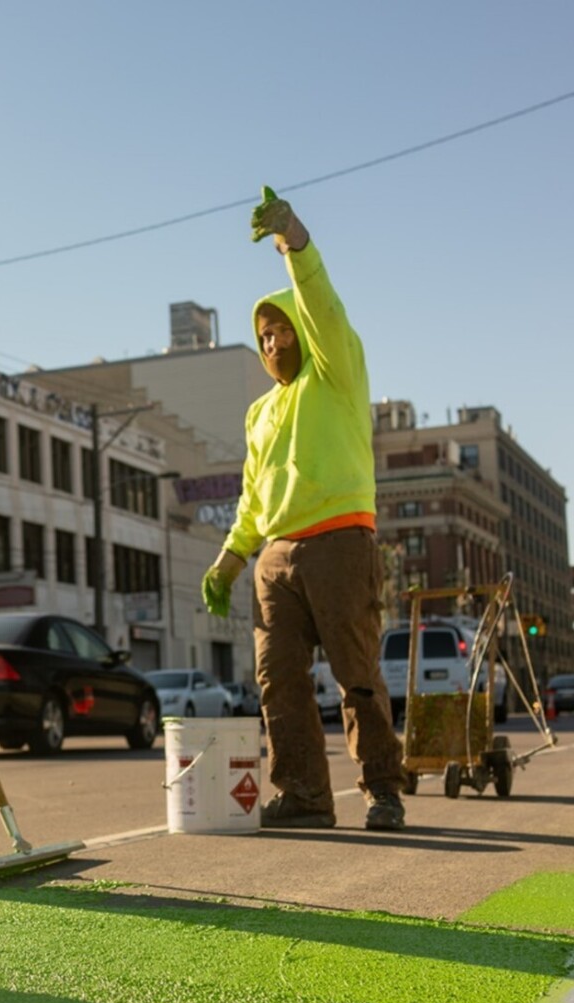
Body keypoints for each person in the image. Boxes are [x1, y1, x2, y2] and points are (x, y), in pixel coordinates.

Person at [201, 186, 406, 832]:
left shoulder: (336, 371)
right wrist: (230, 561)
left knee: (356, 675)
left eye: (281, 328)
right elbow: (254, 498)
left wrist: (292, 236)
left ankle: (382, 791)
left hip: (342, 541)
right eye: (262, 336)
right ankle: (304, 796)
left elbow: (321, 304)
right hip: (277, 557)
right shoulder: (260, 412)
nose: (271, 342)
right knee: (278, 684)